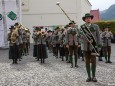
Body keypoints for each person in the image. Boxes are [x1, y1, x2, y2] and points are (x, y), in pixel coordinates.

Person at [81, 13, 101, 82]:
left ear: (91, 19)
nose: (88, 19)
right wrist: (82, 36)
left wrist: (99, 46)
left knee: (93, 62)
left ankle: (94, 76)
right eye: (86, 18)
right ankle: (89, 76)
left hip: (93, 47)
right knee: (87, 62)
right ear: (84, 20)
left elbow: (98, 37)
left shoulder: (96, 26)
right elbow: (80, 38)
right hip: (85, 47)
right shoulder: (82, 27)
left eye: (89, 18)